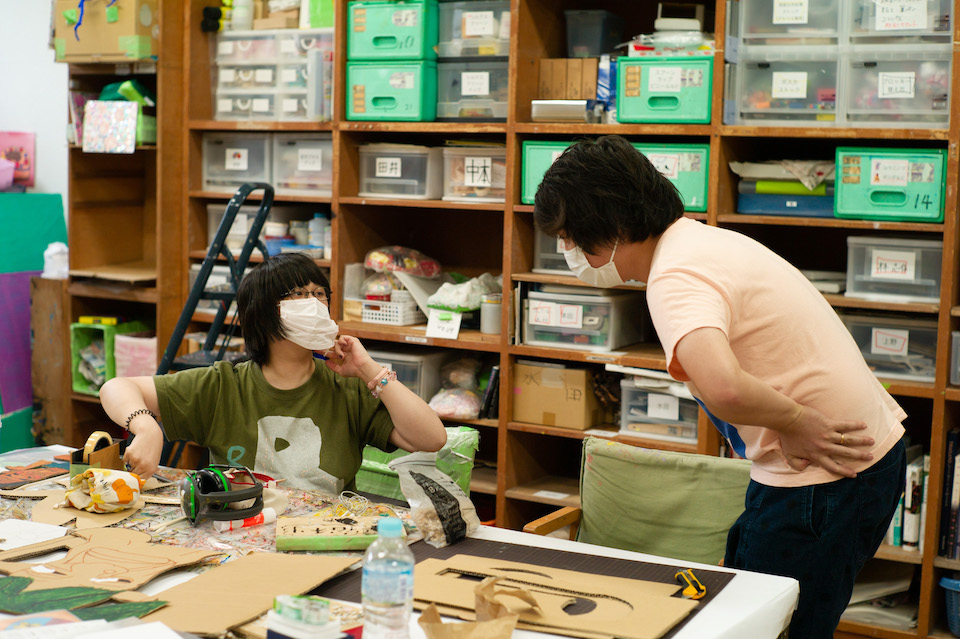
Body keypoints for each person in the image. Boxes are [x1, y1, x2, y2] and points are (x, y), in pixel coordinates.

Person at [534, 135, 906, 639]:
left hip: (823, 468)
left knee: (759, 625)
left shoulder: (675, 276)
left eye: (574, 238)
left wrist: (795, 420)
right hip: (855, 459)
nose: (569, 252)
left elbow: (724, 387)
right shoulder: (699, 240)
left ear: (616, 225)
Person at [100, 252, 446, 494]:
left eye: (319, 294)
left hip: (327, 540)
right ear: (263, 314)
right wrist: (145, 427)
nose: (313, 303)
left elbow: (431, 439)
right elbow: (117, 387)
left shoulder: (348, 387)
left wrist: (368, 369)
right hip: (240, 535)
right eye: (298, 295)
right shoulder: (223, 386)